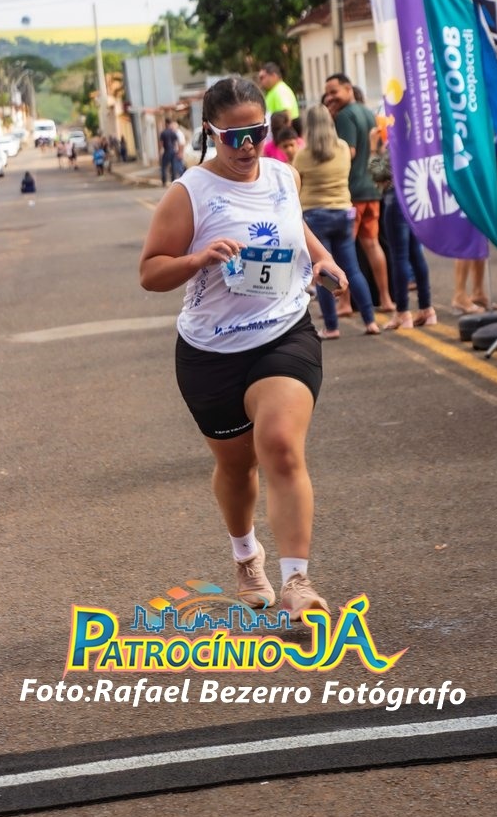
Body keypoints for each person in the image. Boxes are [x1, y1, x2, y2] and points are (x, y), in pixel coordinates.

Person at [139, 76, 348, 620]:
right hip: (210, 352)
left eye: (257, 132)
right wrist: (198, 259)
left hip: (284, 331)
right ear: (210, 132)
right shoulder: (189, 193)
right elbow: (150, 272)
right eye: (234, 137)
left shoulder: (283, 175)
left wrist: (322, 259)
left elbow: (295, 227)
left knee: (279, 444)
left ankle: (297, 580)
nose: (248, 145)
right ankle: (246, 555)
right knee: (236, 468)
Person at [294, 104, 380, 338]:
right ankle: (370, 321)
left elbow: (296, 182)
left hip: (315, 216)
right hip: (343, 213)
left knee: (324, 272)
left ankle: (331, 327)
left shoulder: (303, 155)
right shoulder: (343, 148)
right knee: (352, 269)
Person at [324, 73, 396, 315]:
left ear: (348, 89)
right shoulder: (367, 112)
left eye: (334, 92)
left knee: (344, 249)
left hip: (352, 192)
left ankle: (345, 303)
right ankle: (386, 299)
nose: (330, 97)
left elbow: (349, 151)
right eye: (328, 93)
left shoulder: (345, 115)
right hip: (372, 190)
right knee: (372, 245)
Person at [367, 127, 436, 329]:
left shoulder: (399, 142)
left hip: (396, 200)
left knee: (399, 257)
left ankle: (403, 312)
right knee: (415, 254)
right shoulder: (417, 139)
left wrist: (373, 148)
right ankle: (426, 309)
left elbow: (378, 173)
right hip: (414, 197)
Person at [258, 62, 302, 136]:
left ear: (273, 76)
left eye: (262, 77)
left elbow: (287, 115)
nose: (261, 81)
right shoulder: (274, 91)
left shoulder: (280, 91)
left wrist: (284, 136)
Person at [159, 118, 181, 186]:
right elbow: (177, 142)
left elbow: (161, 143)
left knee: (163, 166)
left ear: (166, 123)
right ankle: (173, 180)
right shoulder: (173, 132)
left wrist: (160, 151)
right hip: (173, 151)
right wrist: (177, 151)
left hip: (167, 150)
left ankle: (164, 181)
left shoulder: (163, 133)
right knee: (173, 166)